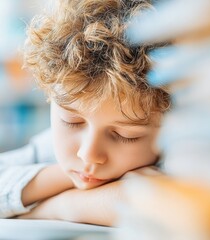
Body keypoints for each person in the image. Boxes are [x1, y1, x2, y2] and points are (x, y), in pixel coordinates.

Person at [0, 0, 170, 226]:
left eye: (126, 135)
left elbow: (149, 202)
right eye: (71, 121)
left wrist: (56, 208)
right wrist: (63, 177)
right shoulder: (50, 147)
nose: (88, 154)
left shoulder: (183, 156)